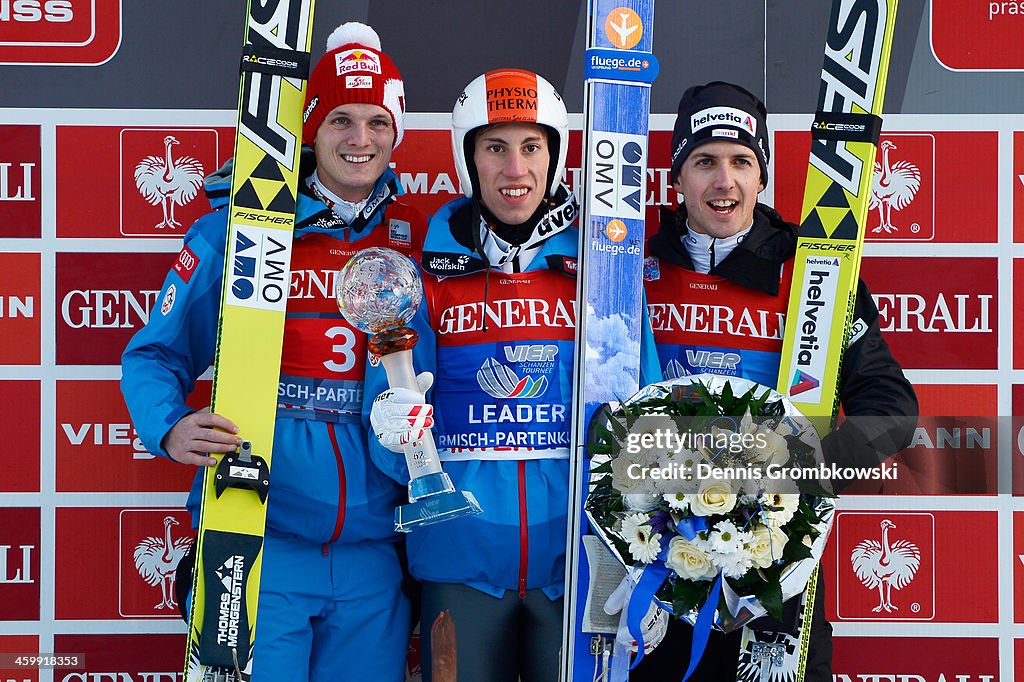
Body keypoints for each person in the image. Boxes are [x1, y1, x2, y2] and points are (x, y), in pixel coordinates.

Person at [121, 22, 424, 682]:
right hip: (260, 538)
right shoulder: (237, 229)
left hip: (374, 552)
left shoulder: (416, 241)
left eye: (377, 122)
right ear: (310, 128)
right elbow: (153, 355)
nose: (360, 139)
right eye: (341, 119)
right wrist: (168, 426)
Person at [366, 67, 659, 682]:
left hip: (581, 567)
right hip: (459, 562)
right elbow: (395, 449)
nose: (515, 169)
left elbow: (646, 414)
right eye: (495, 147)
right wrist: (393, 430)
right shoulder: (427, 277)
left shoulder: (600, 274)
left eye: (532, 147)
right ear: (467, 158)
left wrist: (645, 547)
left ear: (555, 158)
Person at [633, 81, 918, 681]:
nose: (724, 182)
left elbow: (890, 408)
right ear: (677, 176)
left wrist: (798, 469)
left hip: (771, 570)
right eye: (704, 161)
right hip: (655, 565)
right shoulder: (632, 270)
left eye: (742, 162)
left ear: (762, 176)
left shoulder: (812, 272)